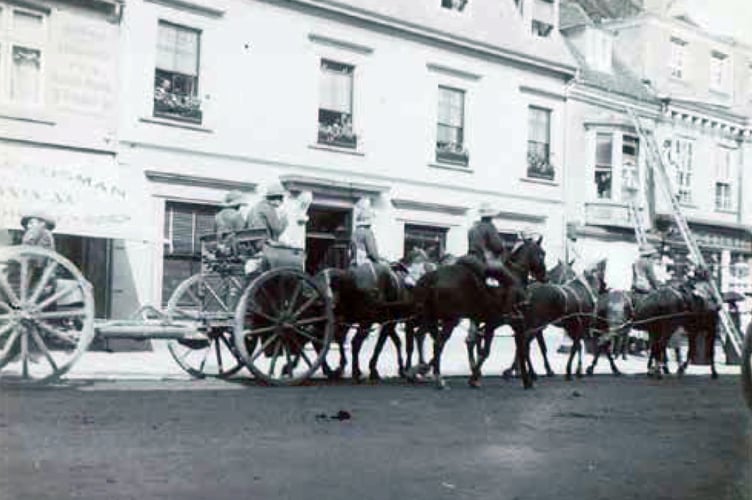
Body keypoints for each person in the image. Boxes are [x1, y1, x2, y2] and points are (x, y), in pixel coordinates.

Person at [468, 202, 516, 288]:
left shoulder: (473, 227)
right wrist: (502, 245)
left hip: (470, 257)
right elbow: (497, 247)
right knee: (510, 280)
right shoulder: (489, 227)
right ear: (491, 216)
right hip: (483, 259)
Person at [214, 190, 248, 255]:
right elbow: (243, 233)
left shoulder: (218, 216)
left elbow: (215, 232)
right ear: (237, 205)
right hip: (234, 249)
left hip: (220, 248)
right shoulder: (236, 215)